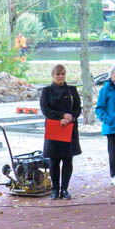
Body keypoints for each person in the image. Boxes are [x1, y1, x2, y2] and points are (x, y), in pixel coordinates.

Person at [39, 64, 82, 199]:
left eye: (63, 74)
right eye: (58, 74)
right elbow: (45, 110)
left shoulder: (72, 90)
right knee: (54, 160)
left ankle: (64, 189)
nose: (60, 76)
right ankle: (55, 189)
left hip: (69, 128)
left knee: (68, 159)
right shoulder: (46, 91)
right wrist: (61, 116)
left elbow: (77, 108)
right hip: (54, 128)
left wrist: (71, 118)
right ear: (53, 75)